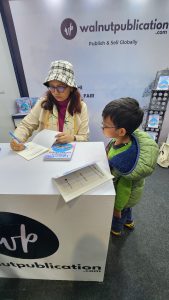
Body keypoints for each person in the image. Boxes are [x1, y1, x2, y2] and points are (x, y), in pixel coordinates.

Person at [102, 97, 159, 237]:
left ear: (121, 131)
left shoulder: (125, 162)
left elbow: (124, 189)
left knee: (120, 215)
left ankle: (116, 229)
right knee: (128, 211)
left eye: (105, 125)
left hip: (124, 197)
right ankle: (129, 221)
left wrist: (117, 208)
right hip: (131, 195)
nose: (102, 127)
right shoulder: (121, 140)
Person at [10, 60, 89, 151]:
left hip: (71, 152)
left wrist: (73, 138)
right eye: (52, 86)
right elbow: (26, 125)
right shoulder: (43, 103)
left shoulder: (81, 106)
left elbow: (84, 137)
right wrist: (17, 139)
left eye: (60, 87)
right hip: (45, 151)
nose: (55, 92)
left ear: (71, 87)